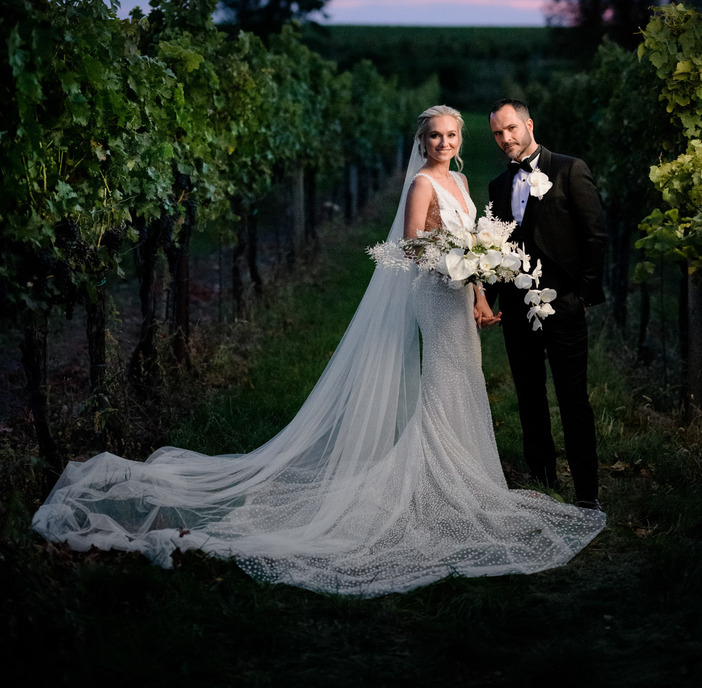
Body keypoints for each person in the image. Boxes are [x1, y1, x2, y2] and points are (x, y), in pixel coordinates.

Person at [32, 105, 605, 597]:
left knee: (465, 378)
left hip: (459, 296)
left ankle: (471, 475)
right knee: (444, 381)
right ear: (421, 142)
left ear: (462, 142)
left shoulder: (461, 182)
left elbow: (479, 242)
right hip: (434, 293)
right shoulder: (422, 184)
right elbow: (408, 248)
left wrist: (478, 283)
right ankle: (440, 478)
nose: (445, 143)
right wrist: (455, 256)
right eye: (435, 136)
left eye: (453, 136)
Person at [487, 98, 607, 509]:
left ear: (528, 125)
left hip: (564, 306)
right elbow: (494, 249)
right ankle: (542, 482)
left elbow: (595, 236)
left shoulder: (570, 169)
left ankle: (588, 492)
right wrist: (487, 299)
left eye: (511, 129)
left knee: (573, 398)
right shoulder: (498, 186)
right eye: (498, 134)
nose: (505, 138)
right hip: (518, 309)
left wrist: (583, 297)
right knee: (529, 395)